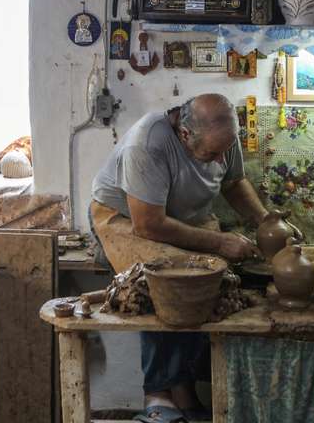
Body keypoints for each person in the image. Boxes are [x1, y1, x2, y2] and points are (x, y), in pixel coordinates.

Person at [90, 94, 268, 423]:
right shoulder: (146, 144)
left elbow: (234, 182)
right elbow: (149, 224)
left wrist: (265, 220)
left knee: (212, 284)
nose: (221, 157)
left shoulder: (223, 135)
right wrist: (220, 242)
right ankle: (157, 392)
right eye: (213, 153)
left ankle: (183, 390)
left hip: (186, 219)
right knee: (164, 284)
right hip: (126, 221)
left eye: (226, 149)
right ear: (185, 134)